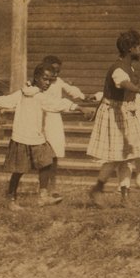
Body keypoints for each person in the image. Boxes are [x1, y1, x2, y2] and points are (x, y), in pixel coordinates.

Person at [0, 63, 83, 209]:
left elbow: (55, 104)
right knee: (19, 171)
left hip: (37, 137)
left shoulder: (40, 95)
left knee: (46, 162)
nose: (47, 83)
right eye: (45, 79)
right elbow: (5, 101)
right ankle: (11, 199)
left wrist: (77, 108)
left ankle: (43, 197)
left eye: (50, 80)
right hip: (21, 137)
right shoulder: (24, 93)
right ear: (36, 78)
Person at [87, 29, 140, 204]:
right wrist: (138, 89)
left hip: (126, 113)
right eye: (139, 47)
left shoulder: (129, 67)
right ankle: (97, 189)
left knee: (128, 156)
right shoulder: (118, 68)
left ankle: (125, 196)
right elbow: (122, 82)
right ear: (130, 49)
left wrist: (138, 93)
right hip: (114, 115)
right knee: (116, 157)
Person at [37, 54, 86, 198]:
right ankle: (43, 187)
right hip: (41, 119)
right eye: (53, 71)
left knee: (55, 154)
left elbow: (70, 89)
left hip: (54, 121)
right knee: (44, 155)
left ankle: (52, 185)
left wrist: (83, 96)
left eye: (58, 71)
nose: (56, 74)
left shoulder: (58, 82)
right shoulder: (39, 84)